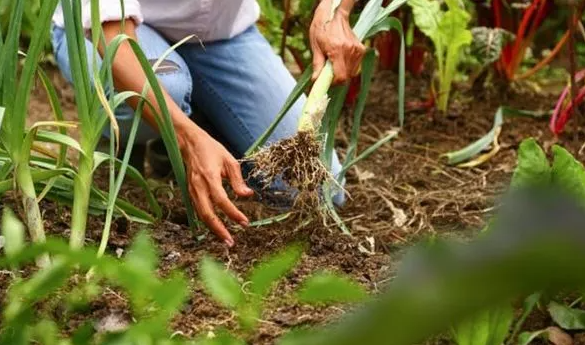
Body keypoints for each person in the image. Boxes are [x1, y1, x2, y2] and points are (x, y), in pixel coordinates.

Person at [51, 0, 366, 247]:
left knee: (319, 191)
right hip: (108, 32)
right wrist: (188, 140)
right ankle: (126, 146)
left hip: (219, 38)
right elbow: (113, 38)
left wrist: (335, 13)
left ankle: (203, 126)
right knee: (168, 89)